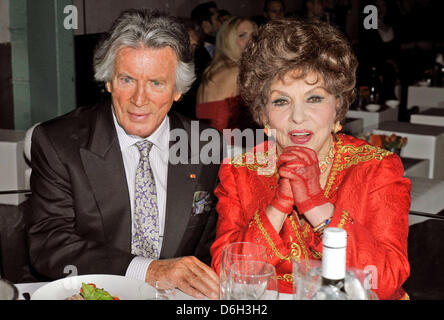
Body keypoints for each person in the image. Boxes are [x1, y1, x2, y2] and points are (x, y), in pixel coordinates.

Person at [210, 18, 411, 300]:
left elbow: (385, 280)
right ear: (264, 115)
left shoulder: (375, 168)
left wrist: (317, 205)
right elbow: (228, 272)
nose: (298, 116)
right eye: (281, 101)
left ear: (338, 108)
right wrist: (278, 206)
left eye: (314, 98)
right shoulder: (240, 172)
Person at [28, 9, 222, 300]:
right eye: (127, 79)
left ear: (178, 90)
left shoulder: (205, 144)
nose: (139, 99)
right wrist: (147, 271)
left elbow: (210, 246)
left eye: (156, 83)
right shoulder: (58, 143)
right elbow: (49, 244)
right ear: (108, 81)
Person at [196, 16, 257, 132]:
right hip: (232, 145)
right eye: (242, 35)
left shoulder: (210, 71)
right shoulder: (239, 72)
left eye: (254, 35)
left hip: (208, 144)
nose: (251, 40)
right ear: (228, 41)